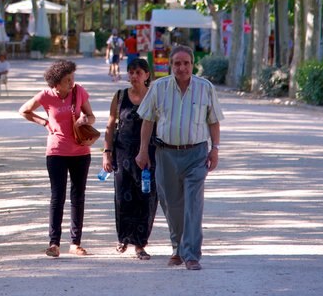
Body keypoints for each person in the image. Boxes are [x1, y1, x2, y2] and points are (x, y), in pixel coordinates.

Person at [135, 45, 223, 271]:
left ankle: (191, 254)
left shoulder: (205, 88)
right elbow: (147, 121)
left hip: (196, 154)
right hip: (165, 154)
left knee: (193, 204)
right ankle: (177, 248)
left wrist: (215, 149)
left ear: (192, 65)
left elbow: (213, 120)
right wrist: (143, 150)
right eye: (177, 63)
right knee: (171, 205)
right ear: (170, 65)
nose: (182, 68)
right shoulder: (158, 87)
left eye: (186, 63)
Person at [19, 60, 96, 258]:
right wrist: (44, 122)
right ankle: (54, 243)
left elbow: (91, 116)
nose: (71, 83)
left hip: (80, 152)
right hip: (56, 152)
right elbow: (24, 110)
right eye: (67, 80)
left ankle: (75, 243)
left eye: (72, 78)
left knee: (78, 197)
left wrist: (85, 120)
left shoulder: (79, 92)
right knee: (57, 197)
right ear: (55, 84)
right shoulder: (45, 95)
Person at [102, 57, 158, 260]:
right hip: (123, 153)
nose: (134, 76)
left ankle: (140, 243)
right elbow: (110, 126)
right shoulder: (119, 96)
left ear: (147, 75)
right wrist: (107, 153)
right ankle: (124, 237)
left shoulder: (154, 96)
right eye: (131, 72)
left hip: (149, 154)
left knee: (147, 198)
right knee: (123, 197)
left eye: (138, 72)